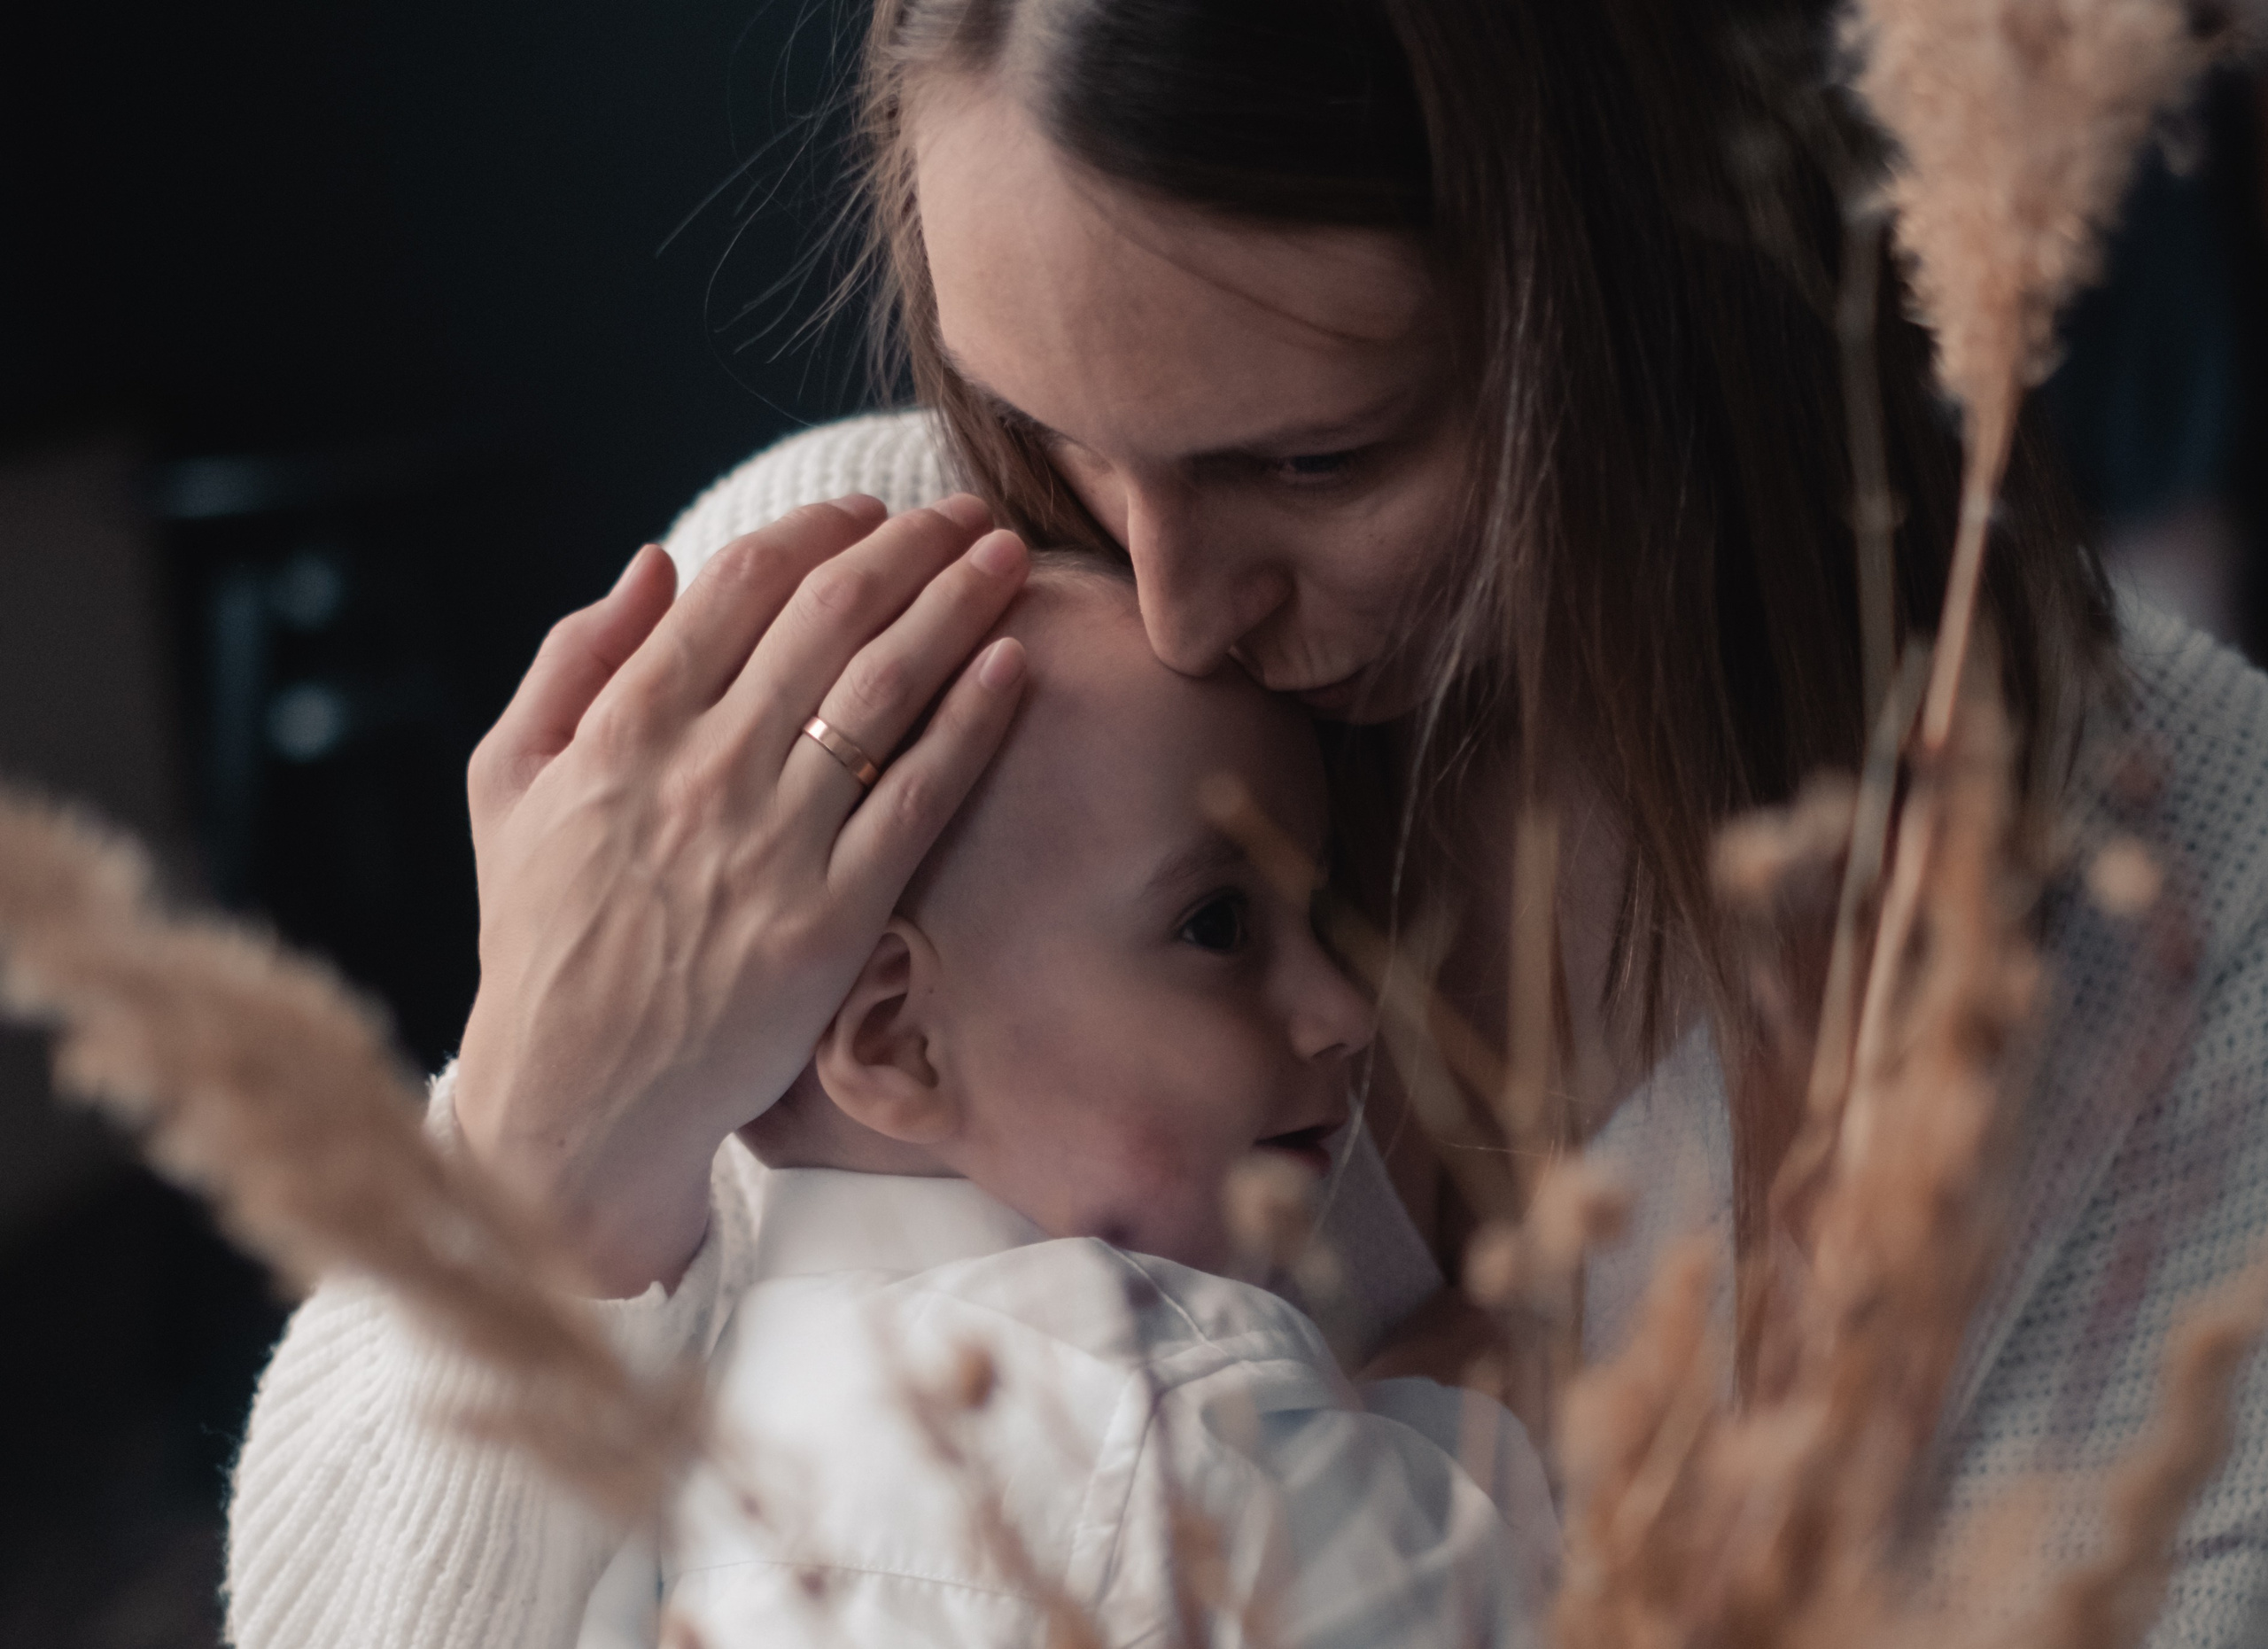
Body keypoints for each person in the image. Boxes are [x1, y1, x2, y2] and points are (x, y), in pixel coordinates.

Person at [227, 3, 2268, 1646]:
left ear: (1664, 293)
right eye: (1049, 432)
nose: (1178, 602)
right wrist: (537, 1160)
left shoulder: (2167, 892)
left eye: (1311, 452)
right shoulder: (850, 658)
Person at [575, 557, 1555, 1648]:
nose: (1344, 1008)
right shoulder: (1173, 1415)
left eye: (1318, 908)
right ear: (898, 1041)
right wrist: (1483, 1416)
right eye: (1218, 925)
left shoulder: (666, 1465)